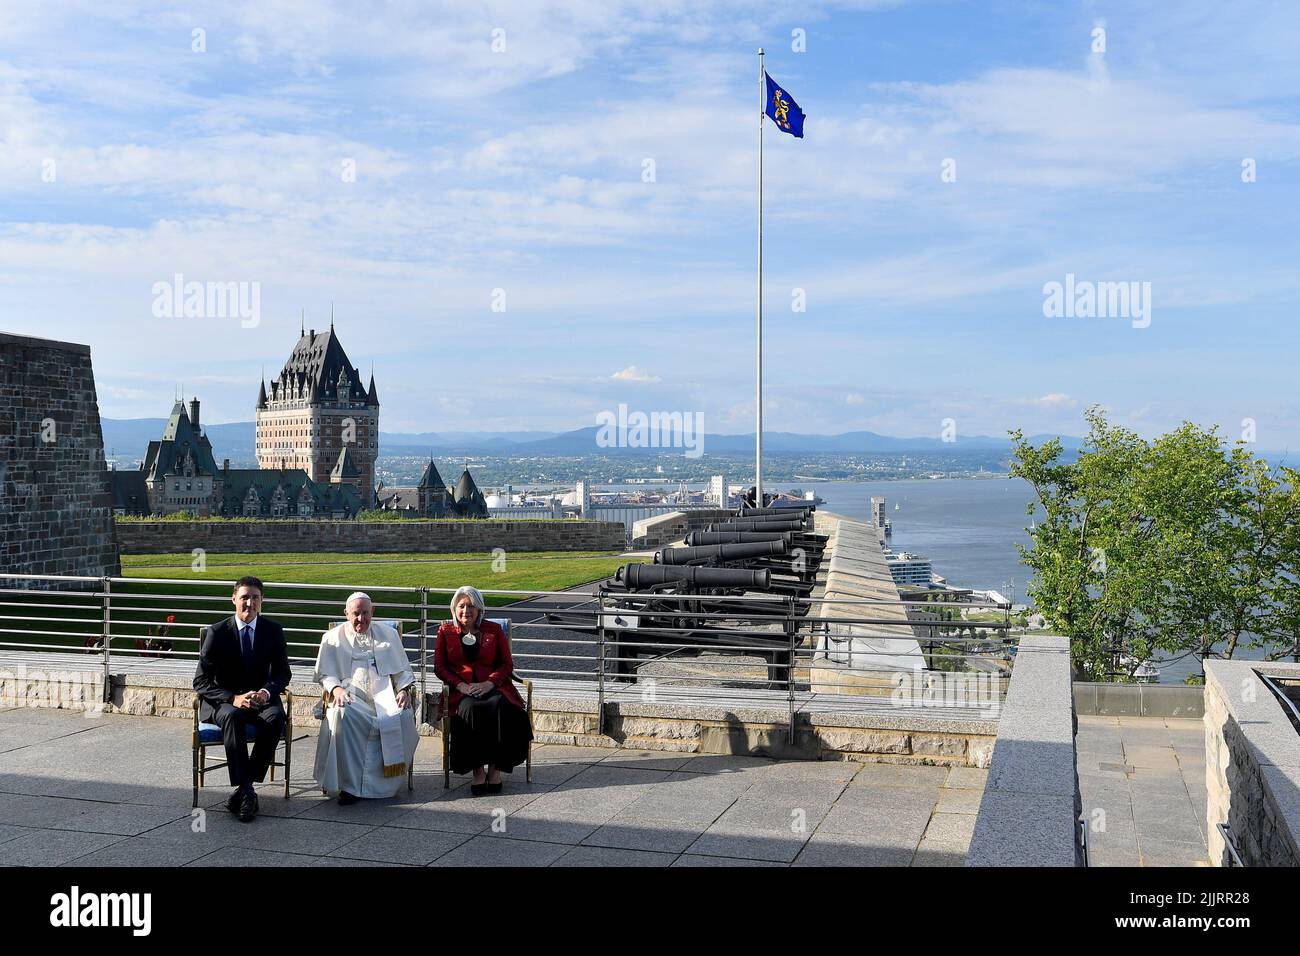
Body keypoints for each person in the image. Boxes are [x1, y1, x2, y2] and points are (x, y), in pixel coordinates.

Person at [193, 576, 291, 823]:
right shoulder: (217, 633)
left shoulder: (273, 630)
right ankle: (247, 791)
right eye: (244, 597)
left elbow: (283, 673)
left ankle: (244, 790)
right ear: (234, 599)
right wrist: (233, 698)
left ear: (262, 601)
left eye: (255, 597)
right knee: (233, 716)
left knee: (277, 717)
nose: (249, 603)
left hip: (261, 700)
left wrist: (266, 692)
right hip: (224, 701)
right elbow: (201, 682)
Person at [313, 592, 418, 804]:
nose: (361, 619)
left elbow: (402, 672)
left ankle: (386, 786)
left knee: (403, 716)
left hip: (385, 697)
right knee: (341, 714)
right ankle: (348, 787)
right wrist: (336, 690)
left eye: (366, 613)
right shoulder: (332, 638)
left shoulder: (388, 635)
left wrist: (403, 691)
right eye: (356, 614)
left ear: (373, 612)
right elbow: (326, 673)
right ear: (346, 614)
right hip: (351, 697)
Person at [434, 585, 532, 796]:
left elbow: (506, 665)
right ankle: (478, 771)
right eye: (461, 606)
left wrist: (489, 683)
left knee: (502, 708)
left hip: (494, 687)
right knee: (469, 711)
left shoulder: (493, 630)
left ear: (479, 610)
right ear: (454, 608)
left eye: (471, 606)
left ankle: (495, 769)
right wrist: (461, 686)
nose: (465, 611)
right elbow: (439, 667)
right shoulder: (445, 631)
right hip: (462, 691)